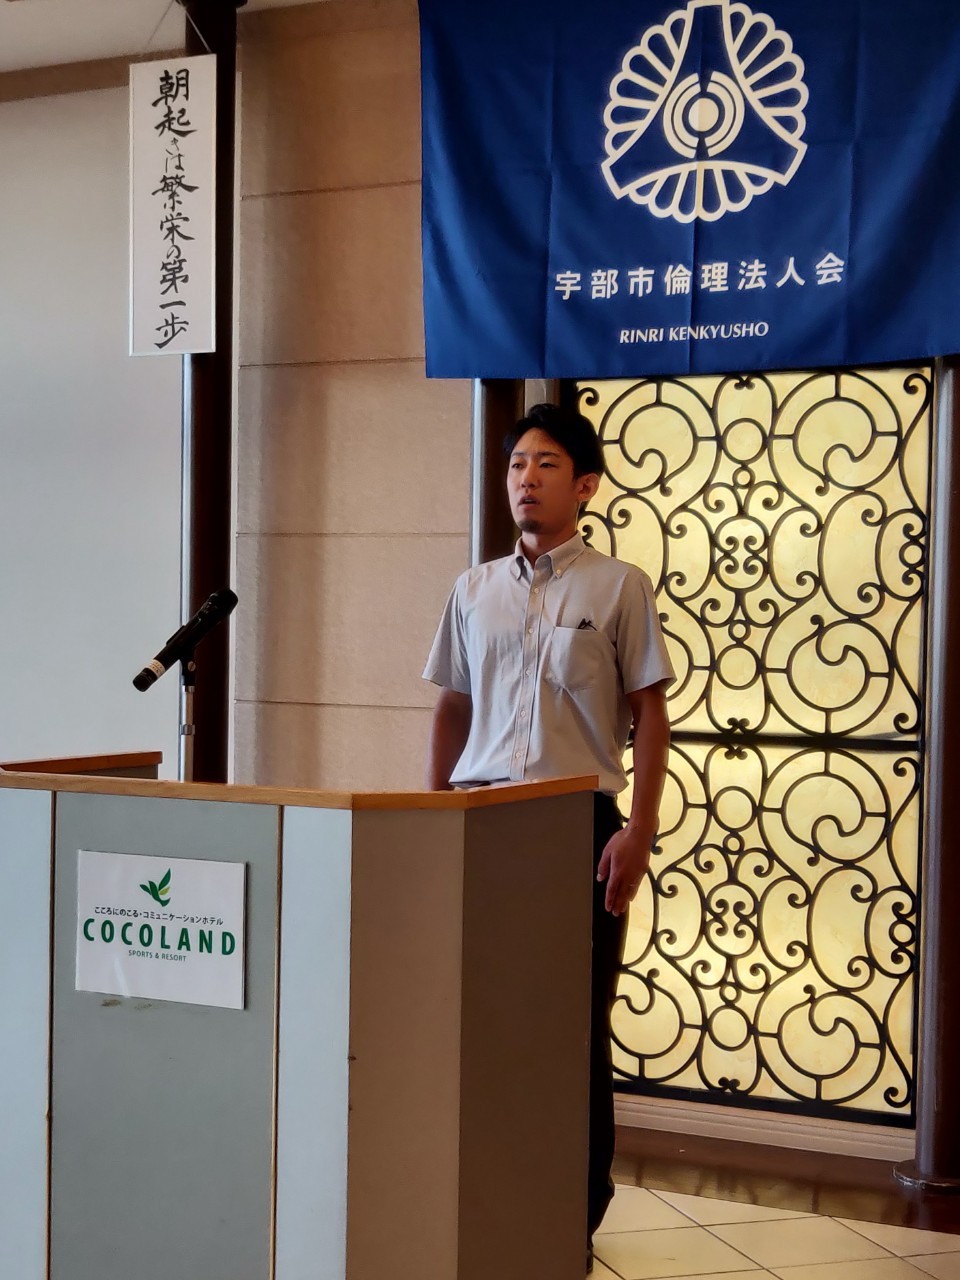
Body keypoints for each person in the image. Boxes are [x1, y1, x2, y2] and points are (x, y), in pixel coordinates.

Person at [422, 402, 674, 1272]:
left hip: (577, 829)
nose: (526, 480)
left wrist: (638, 831)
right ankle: (487, 1196)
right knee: (481, 1020)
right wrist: (431, 816)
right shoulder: (473, 589)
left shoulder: (619, 586)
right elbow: (452, 708)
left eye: (547, 465)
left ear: (586, 485)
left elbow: (650, 714)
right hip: (481, 823)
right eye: (516, 465)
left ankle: (574, 1212)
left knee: (573, 1026)